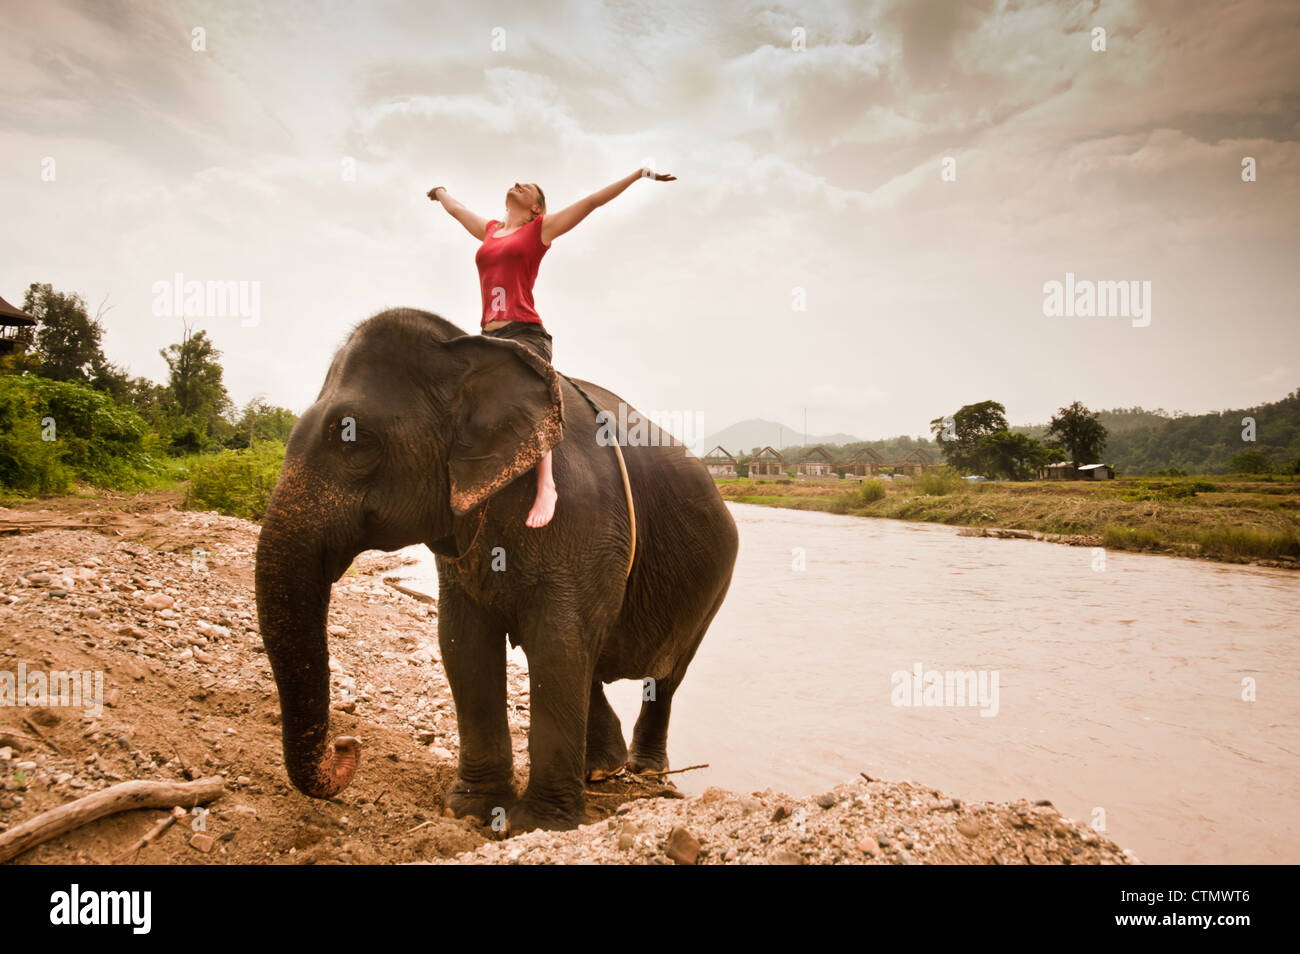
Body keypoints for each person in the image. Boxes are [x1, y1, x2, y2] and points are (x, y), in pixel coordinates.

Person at [428, 169, 675, 528]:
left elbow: (591, 202)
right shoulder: (491, 230)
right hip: (489, 336)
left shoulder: (539, 231)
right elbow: (456, 209)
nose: (517, 181)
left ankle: (547, 484)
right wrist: (439, 190)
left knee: (535, 392)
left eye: (528, 186)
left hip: (525, 332)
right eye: (516, 180)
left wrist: (639, 174)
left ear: (536, 209)